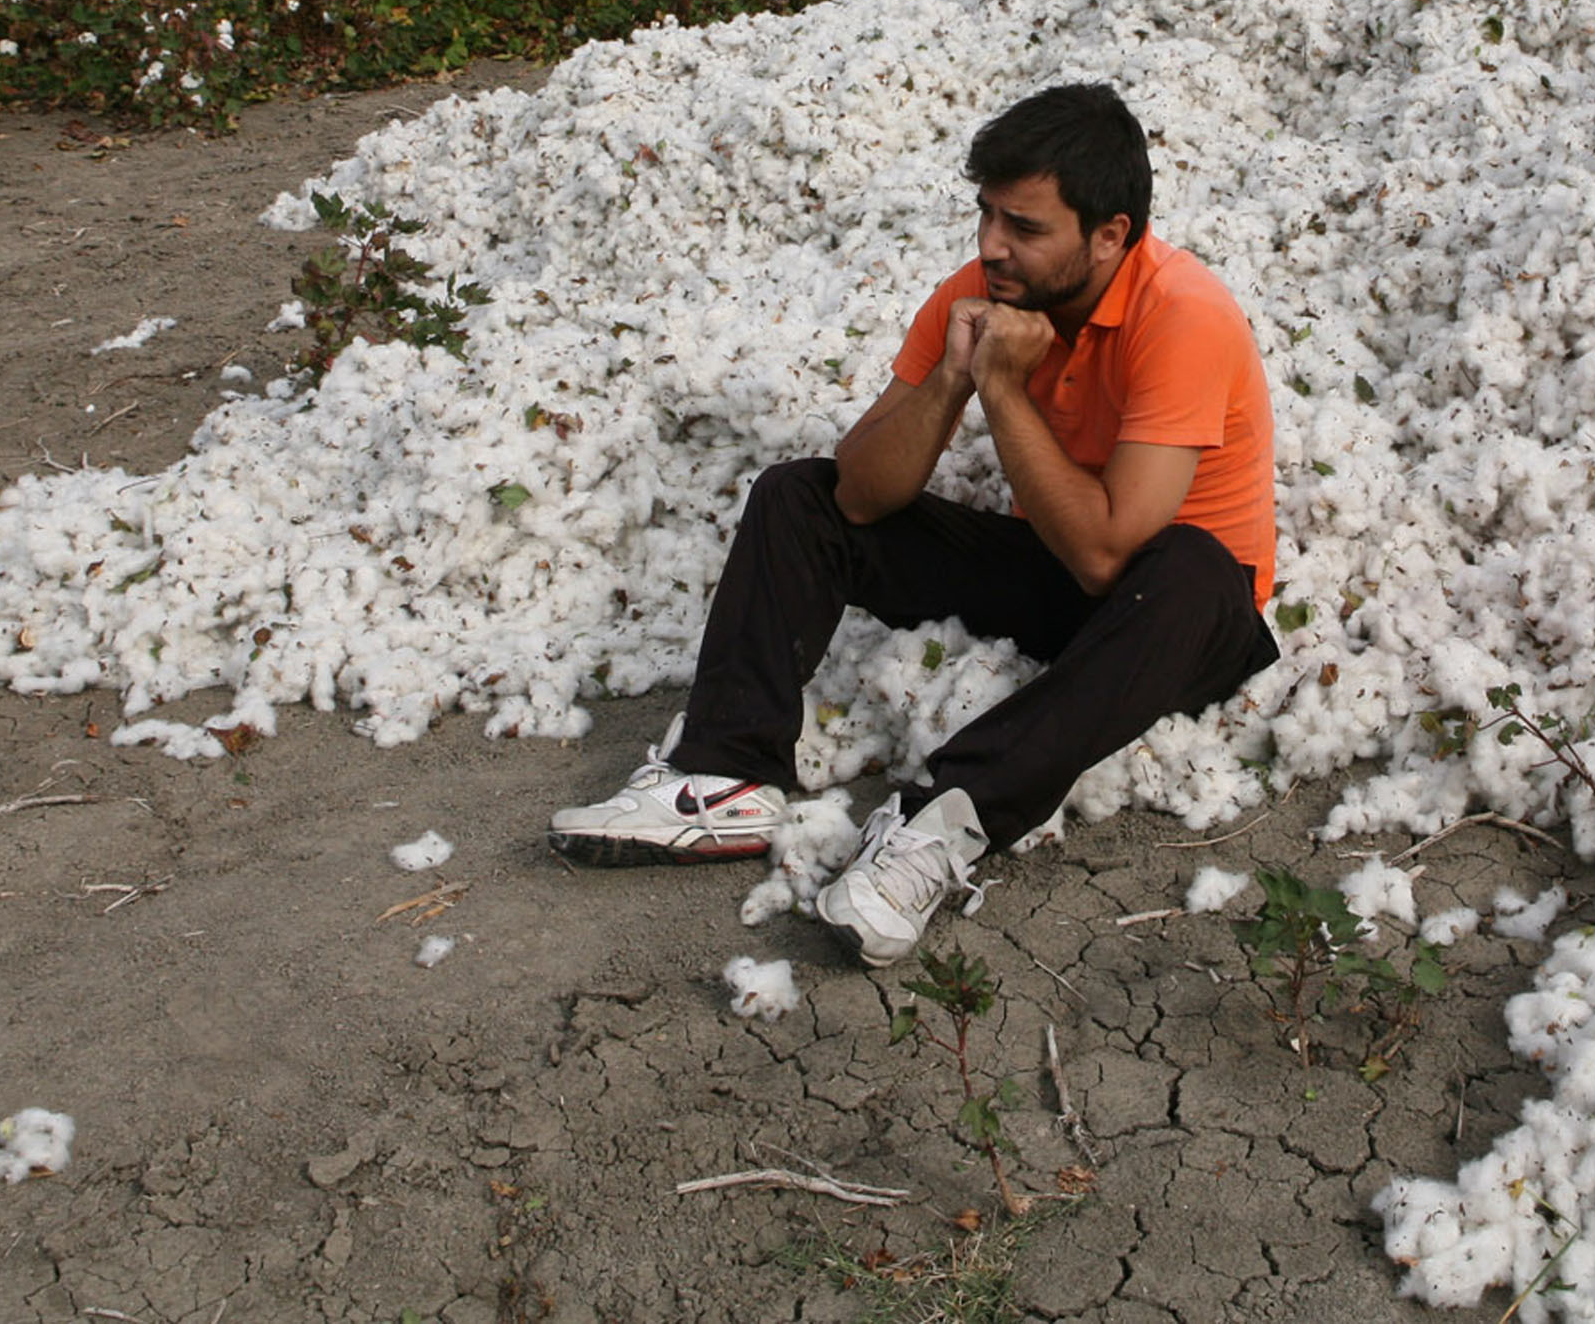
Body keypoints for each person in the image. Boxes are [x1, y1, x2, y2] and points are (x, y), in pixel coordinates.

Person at [548, 81, 1279, 964]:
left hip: (1176, 622)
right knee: (798, 494)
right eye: (986, 214)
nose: (991, 245)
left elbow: (1104, 555)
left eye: (1024, 226)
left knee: (1192, 565)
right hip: (1055, 571)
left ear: (1109, 234)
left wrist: (1002, 388)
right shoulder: (980, 292)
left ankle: (938, 828)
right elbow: (860, 497)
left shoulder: (1182, 314)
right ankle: (724, 771)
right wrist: (952, 379)